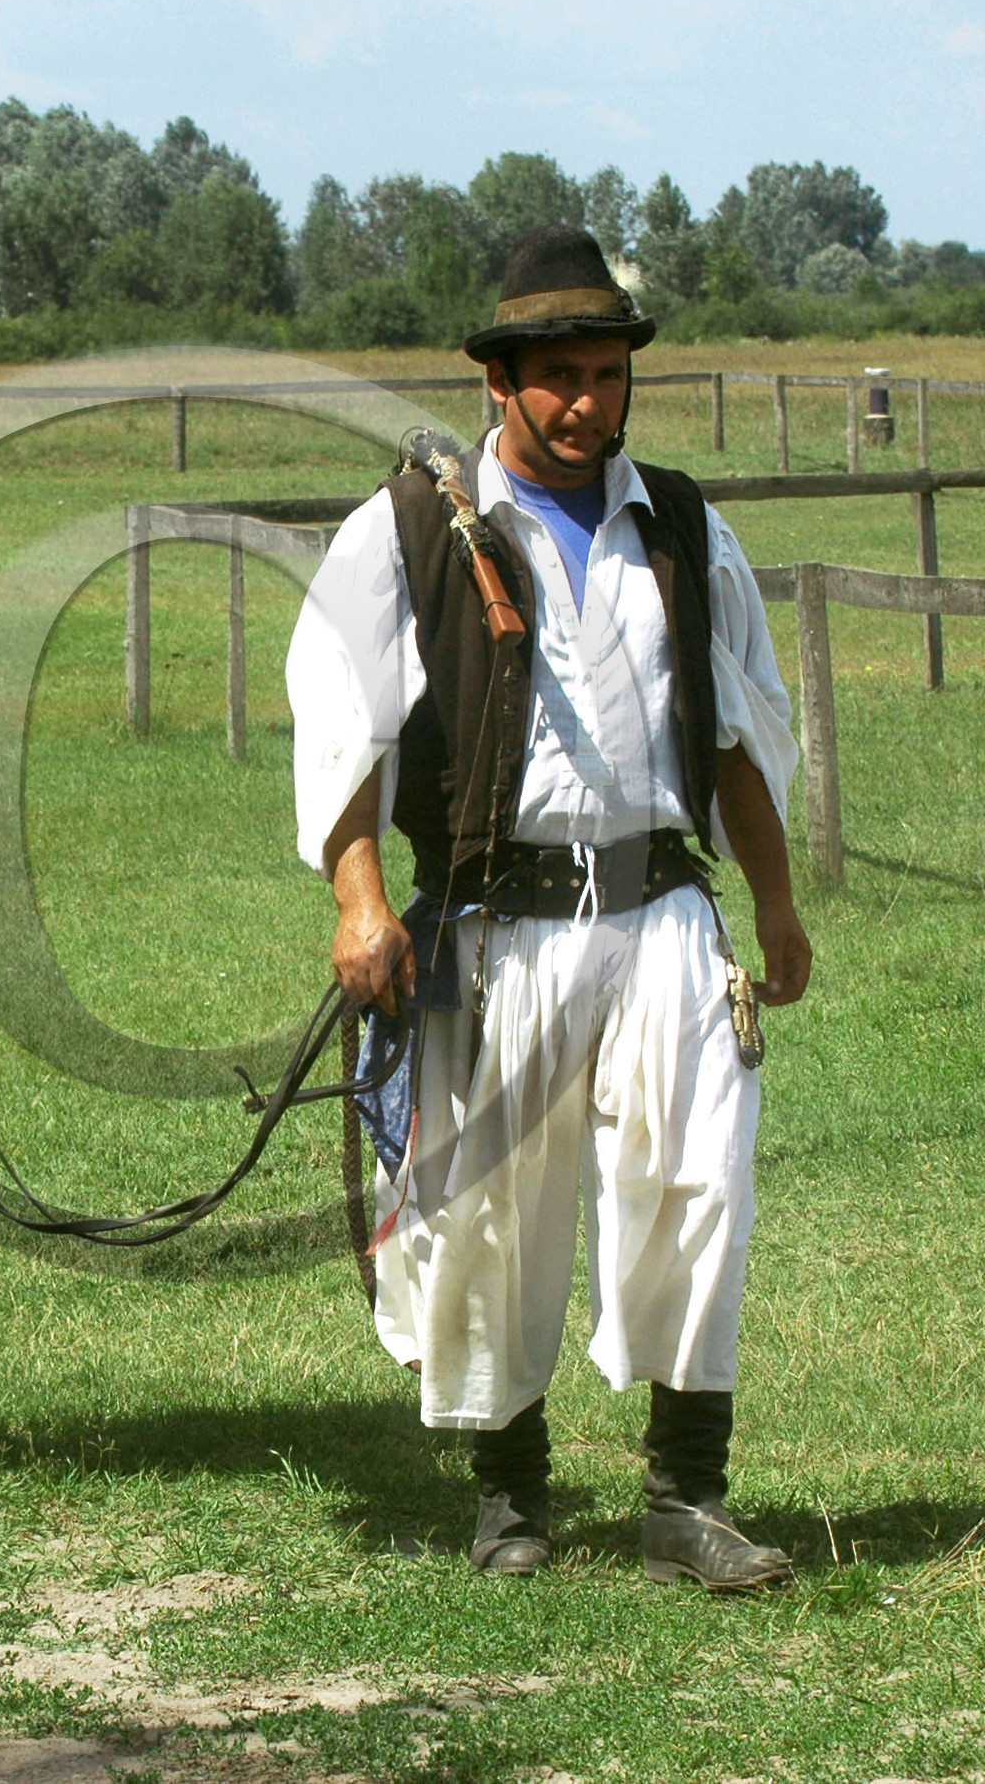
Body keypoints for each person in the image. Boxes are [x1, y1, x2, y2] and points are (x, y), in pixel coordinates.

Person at [285, 224, 812, 1589]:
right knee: (496, 1210)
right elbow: (339, 727)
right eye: (555, 375)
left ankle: (686, 1494)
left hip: (666, 921)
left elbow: (741, 738)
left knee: (701, 1189)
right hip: (496, 926)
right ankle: (510, 1494)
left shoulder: (687, 530)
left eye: (604, 372)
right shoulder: (406, 530)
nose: (583, 401)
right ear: (499, 381)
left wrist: (778, 909)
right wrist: (358, 901)